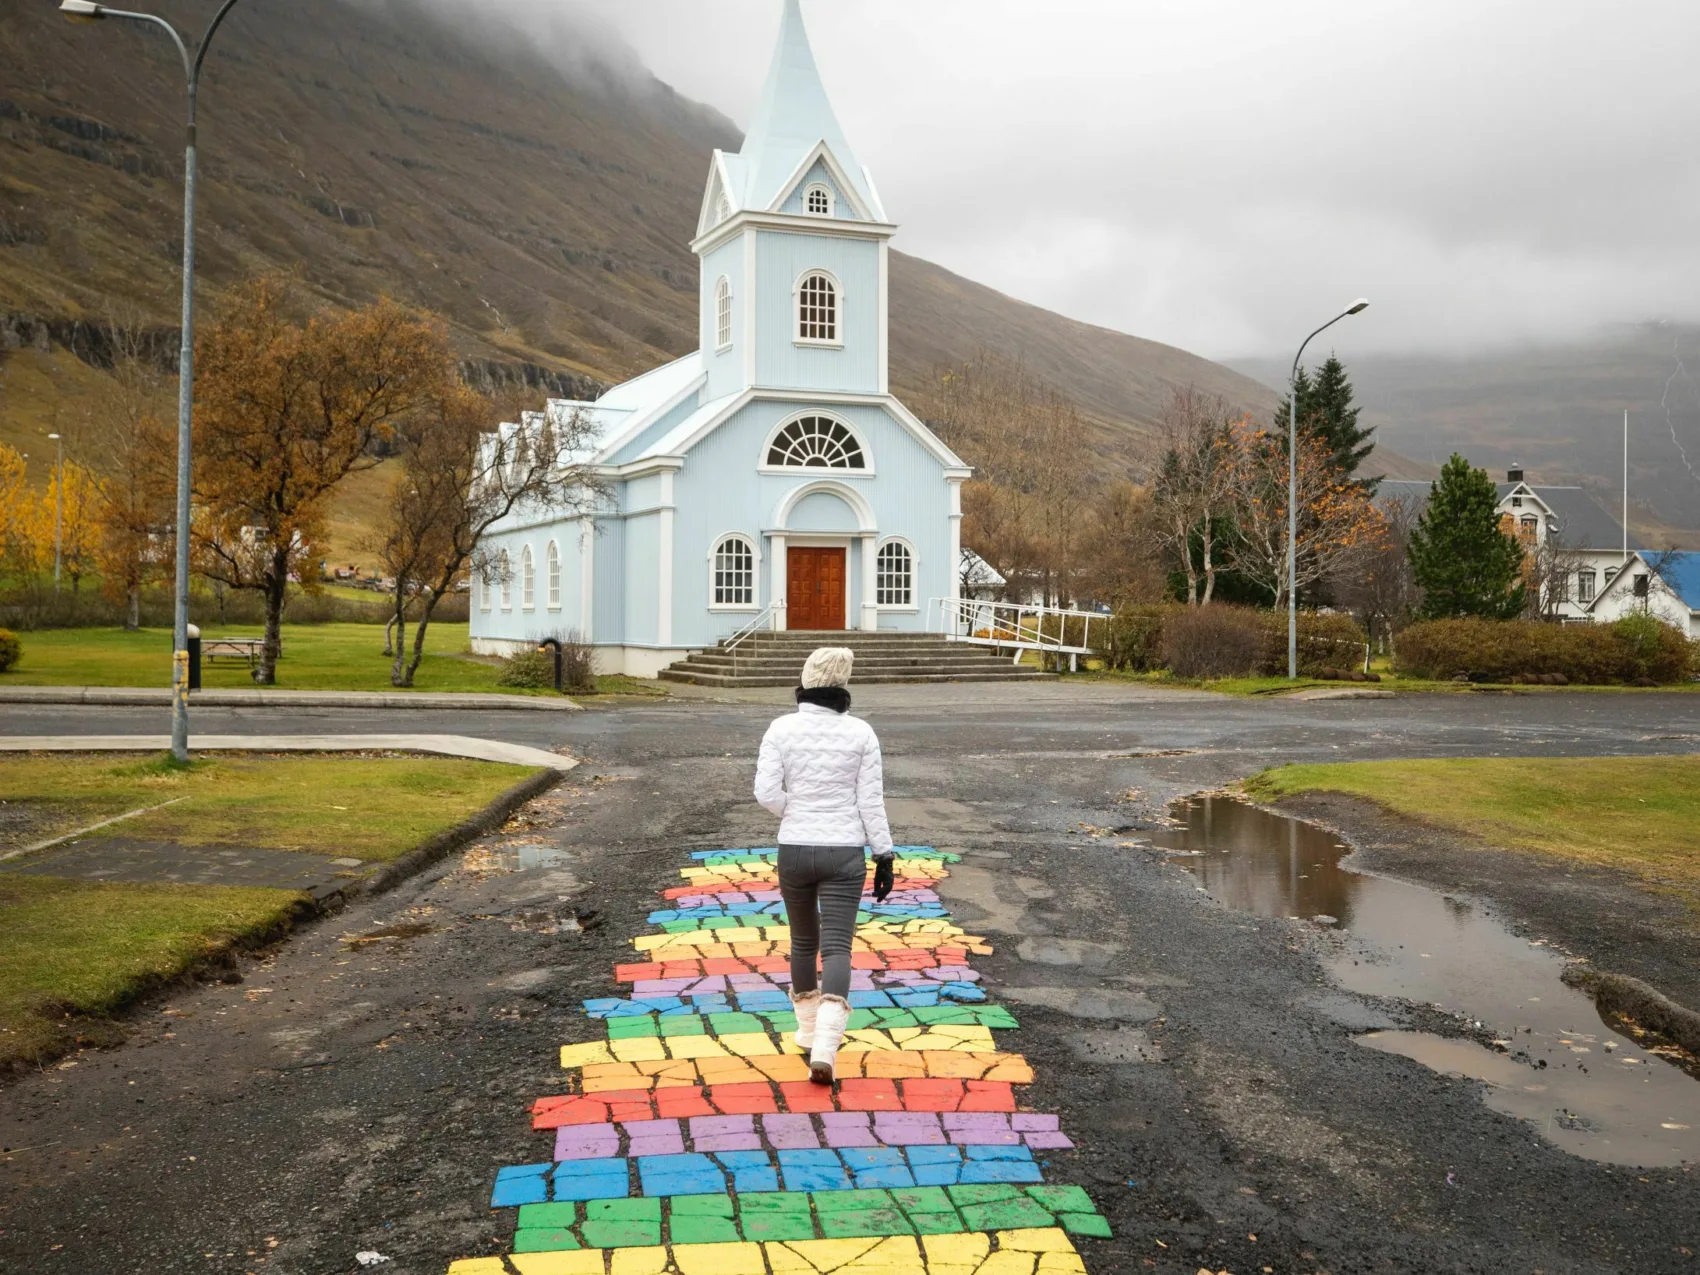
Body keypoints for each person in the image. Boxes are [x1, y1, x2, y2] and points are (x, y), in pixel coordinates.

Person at [754, 646, 896, 1084]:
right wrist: (884, 854)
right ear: (843, 684)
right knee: (837, 947)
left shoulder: (780, 729)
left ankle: (807, 1030)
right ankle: (827, 1047)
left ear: (806, 681)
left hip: (794, 848)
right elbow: (870, 801)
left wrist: (795, 813)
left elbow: (765, 791)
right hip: (845, 852)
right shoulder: (862, 734)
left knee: (802, 941)